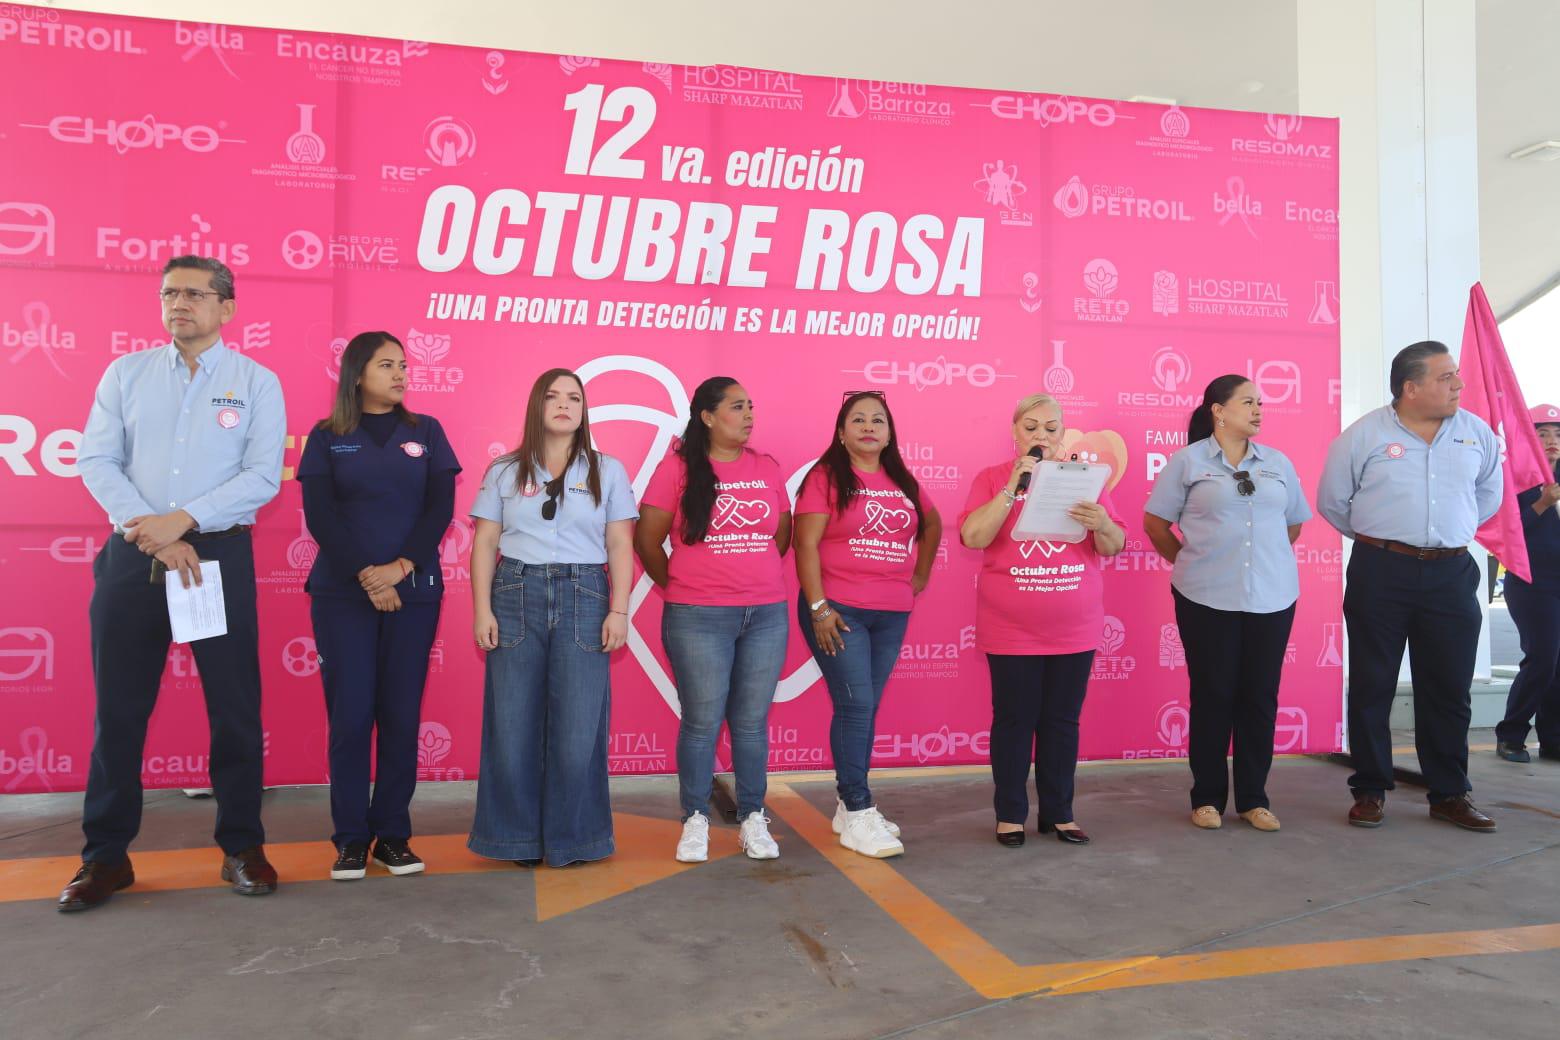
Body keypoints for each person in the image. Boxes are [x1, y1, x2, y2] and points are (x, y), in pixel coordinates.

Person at [62, 256, 286, 911]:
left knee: (236, 714)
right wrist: (154, 530)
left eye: (193, 293)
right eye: (169, 293)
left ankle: (242, 847)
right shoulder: (125, 374)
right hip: (135, 558)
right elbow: (96, 459)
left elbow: (262, 476)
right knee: (119, 716)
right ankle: (104, 859)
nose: (178, 303)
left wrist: (182, 522)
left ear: (226, 308)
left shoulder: (255, 382)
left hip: (216, 558)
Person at [1317, 340, 1502, 832]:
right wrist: (1387, 540)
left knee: (1448, 687)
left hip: (1452, 572)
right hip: (1382, 570)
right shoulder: (1363, 436)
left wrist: (1441, 538)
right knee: (1374, 683)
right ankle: (1371, 789)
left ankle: (1449, 793)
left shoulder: (1476, 434)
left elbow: (1488, 496)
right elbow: (1334, 501)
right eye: (1446, 378)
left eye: (1456, 376)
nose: (1458, 385)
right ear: (1410, 387)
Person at [297, 332, 461, 880]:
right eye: (386, 364)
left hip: (413, 592)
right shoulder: (326, 437)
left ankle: (392, 835)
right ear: (357, 374)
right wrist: (370, 577)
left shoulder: (427, 432)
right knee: (349, 717)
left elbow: (440, 508)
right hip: (343, 594)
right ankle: (349, 839)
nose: (400, 373)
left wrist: (401, 567)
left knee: (399, 715)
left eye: (403, 364)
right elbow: (321, 517)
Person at [468, 369, 637, 867]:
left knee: (579, 726)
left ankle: (575, 839)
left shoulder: (608, 470)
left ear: (584, 411)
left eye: (574, 398)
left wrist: (619, 609)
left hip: (586, 594)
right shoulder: (504, 470)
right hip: (515, 592)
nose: (564, 405)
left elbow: (620, 542)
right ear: (535, 406)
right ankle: (513, 839)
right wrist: (482, 610)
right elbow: (484, 543)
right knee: (512, 721)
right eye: (553, 396)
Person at [1144, 376, 1312, 833]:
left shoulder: (1277, 462)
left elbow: (1293, 525)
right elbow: (1156, 524)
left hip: (1273, 597)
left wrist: (1261, 562)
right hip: (1204, 596)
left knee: (1260, 698)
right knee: (1213, 695)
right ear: (1218, 410)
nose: (1258, 410)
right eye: (1248, 402)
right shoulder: (1188, 461)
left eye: (1261, 402)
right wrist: (1193, 563)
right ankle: (1207, 798)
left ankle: (1254, 799)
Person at [636, 377, 792, 863]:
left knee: (750, 724)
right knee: (702, 723)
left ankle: (752, 818)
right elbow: (647, 540)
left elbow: (779, 536)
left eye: (751, 406)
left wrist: (750, 579)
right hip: (698, 615)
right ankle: (695, 820)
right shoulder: (677, 468)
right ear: (707, 416)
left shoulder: (766, 467)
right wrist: (683, 587)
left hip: (765, 613)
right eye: (736, 407)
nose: (748, 415)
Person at [958, 393, 1124, 847]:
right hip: (1011, 630)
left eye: (1051, 428)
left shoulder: (1086, 480)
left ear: (1062, 433)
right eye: (1031, 427)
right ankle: (1010, 814)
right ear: (1015, 433)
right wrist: (1013, 486)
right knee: (1014, 720)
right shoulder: (992, 478)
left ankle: (1060, 812)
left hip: (1075, 629)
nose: (1041, 436)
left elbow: (1113, 545)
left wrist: (1102, 523)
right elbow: (973, 535)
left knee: (1062, 722)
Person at [794, 391, 942, 858]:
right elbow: (805, 543)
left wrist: (917, 576)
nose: (868, 427)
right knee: (857, 704)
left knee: (865, 705)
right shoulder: (826, 477)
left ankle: (847, 805)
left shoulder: (900, 478)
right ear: (841, 432)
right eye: (857, 420)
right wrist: (819, 608)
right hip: (839, 610)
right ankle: (858, 808)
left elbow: (933, 524)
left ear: (890, 432)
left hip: (891, 613)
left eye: (878, 420)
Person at [1494, 403, 1560, 763]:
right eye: (1543, 433)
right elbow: (1505, 531)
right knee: (1542, 659)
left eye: (1558, 434)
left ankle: (1553, 739)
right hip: (1532, 582)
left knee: (1558, 663)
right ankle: (1512, 734)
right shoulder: (1514, 477)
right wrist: (1541, 504)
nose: (1552, 441)